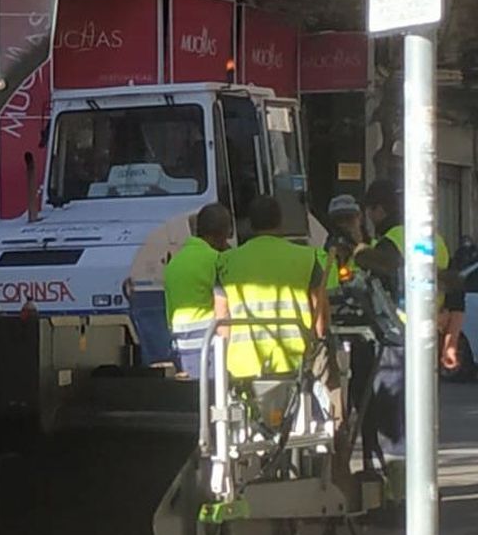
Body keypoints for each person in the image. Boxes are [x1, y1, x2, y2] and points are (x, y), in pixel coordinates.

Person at [353, 179, 465, 490]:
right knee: (419, 417)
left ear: (379, 210)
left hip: (395, 341)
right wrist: (450, 341)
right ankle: (420, 489)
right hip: (425, 340)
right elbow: (456, 294)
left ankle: (398, 495)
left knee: (391, 424)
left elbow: (369, 271)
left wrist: (358, 247)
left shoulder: (391, 242)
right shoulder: (435, 240)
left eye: (369, 211)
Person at [215, 195, 329, 381]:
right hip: (295, 360)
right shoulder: (307, 258)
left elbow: (222, 318)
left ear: (250, 224)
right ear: (280, 222)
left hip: (243, 364)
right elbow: (320, 316)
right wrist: (319, 340)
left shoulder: (227, 261)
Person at [163, 203, 234, 380]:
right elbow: (224, 308)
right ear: (224, 233)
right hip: (210, 345)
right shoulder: (217, 260)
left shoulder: (175, 262)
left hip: (182, 347)